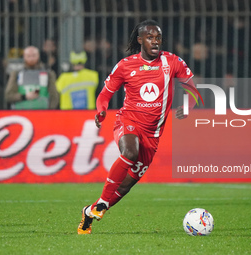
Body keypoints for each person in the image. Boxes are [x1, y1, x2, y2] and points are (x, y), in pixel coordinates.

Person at [77, 20, 197, 235]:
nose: (155, 41)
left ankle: (90, 212)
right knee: (129, 152)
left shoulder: (172, 61)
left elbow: (192, 87)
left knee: (124, 187)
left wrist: (188, 105)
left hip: (153, 134)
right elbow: (105, 94)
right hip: (128, 121)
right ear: (140, 40)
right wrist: (101, 110)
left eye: (158, 37)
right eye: (150, 37)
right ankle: (103, 200)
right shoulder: (125, 65)